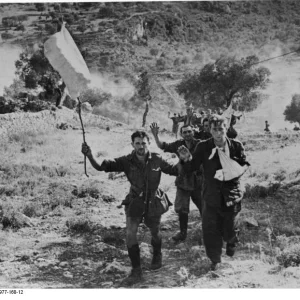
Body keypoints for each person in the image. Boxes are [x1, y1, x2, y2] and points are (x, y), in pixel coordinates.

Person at [81, 130, 178, 286]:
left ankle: (157, 254)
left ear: (149, 143)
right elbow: (101, 167)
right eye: (137, 143)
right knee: (130, 233)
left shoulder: (157, 159)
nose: (141, 146)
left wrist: (186, 160)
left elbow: (174, 170)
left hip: (153, 201)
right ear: (132, 144)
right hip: (135, 200)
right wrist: (90, 155)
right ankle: (136, 269)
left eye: (143, 143)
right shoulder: (126, 161)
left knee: (155, 231)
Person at [177, 114, 250, 271]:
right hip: (211, 195)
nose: (218, 132)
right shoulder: (203, 147)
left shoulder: (236, 146)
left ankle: (231, 241)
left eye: (221, 129)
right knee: (210, 229)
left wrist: (233, 171)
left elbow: (244, 164)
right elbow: (192, 168)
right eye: (214, 129)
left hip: (232, 194)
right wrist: (185, 159)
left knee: (229, 229)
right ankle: (215, 260)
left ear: (226, 129)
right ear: (209, 130)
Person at [150, 122, 203, 242]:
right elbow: (162, 146)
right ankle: (183, 233)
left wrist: (191, 158)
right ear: (181, 134)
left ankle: (209, 230)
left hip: (198, 180)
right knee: (182, 209)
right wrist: (156, 136)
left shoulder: (200, 144)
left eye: (189, 131)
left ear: (193, 132)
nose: (188, 134)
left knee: (203, 206)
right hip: (184, 180)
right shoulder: (178, 144)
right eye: (185, 132)